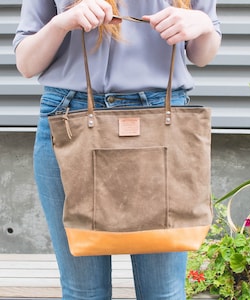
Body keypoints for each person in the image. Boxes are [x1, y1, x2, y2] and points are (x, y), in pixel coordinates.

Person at [13, 1, 221, 299]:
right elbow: (26, 63)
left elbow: (203, 54)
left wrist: (200, 23)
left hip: (162, 125)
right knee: (83, 292)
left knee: (163, 292)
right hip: (72, 121)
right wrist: (63, 22)